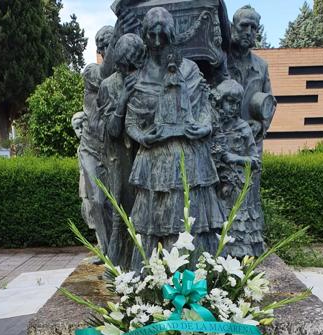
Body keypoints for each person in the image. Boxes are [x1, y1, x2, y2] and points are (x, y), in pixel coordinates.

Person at [123, 7, 225, 269]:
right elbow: (131, 122)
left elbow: (206, 109)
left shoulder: (190, 70)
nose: (157, 42)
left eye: (163, 36)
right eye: (152, 36)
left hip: (190, 157)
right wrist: (144, 137)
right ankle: (152, 280)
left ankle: (196, 278)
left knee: (190, 219)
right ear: (145, 36)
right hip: (154, 161)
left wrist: (203, 127)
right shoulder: (138, 77)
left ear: (171, 35)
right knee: (153, 222)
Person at [227, 5, 277, 250]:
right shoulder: (219, 61)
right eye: (243, 26)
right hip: (224, 141)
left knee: (250, 193)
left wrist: (261, 124)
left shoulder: (262, 65)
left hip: (252, 142)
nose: (248, 32)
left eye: (253, 27)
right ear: (233, 27)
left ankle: (250, 245)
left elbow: (270, 101)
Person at [96, 33, 146, 267]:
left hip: (144, 156)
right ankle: (117, 266)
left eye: (132, 66)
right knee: (120, 214)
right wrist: (124, 98)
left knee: (145, 212)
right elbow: (113, 130)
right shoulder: (108, 86)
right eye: (124, 66)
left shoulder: (146, 80)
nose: (128, 71)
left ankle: (144, 263)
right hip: (119, 159)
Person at [211, 79, 264, 257]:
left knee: (236, 224)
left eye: (236, 103)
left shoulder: (242, 128)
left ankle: (238, 260)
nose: (233, 107)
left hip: (237, 185)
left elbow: (256, 161)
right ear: (220, 101)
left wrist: (236, 158)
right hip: (215, 185)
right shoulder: (212, 126)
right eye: (229, 102)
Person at [79, 26, 115, 254]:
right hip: (92, 149)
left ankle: (117, 250)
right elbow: (105, 76)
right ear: (101, 49)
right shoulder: (92, 71)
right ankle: (107, 251)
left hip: (113, 151)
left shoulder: (126, 78)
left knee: (117, 203)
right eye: (110, 44)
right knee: (99, 202)